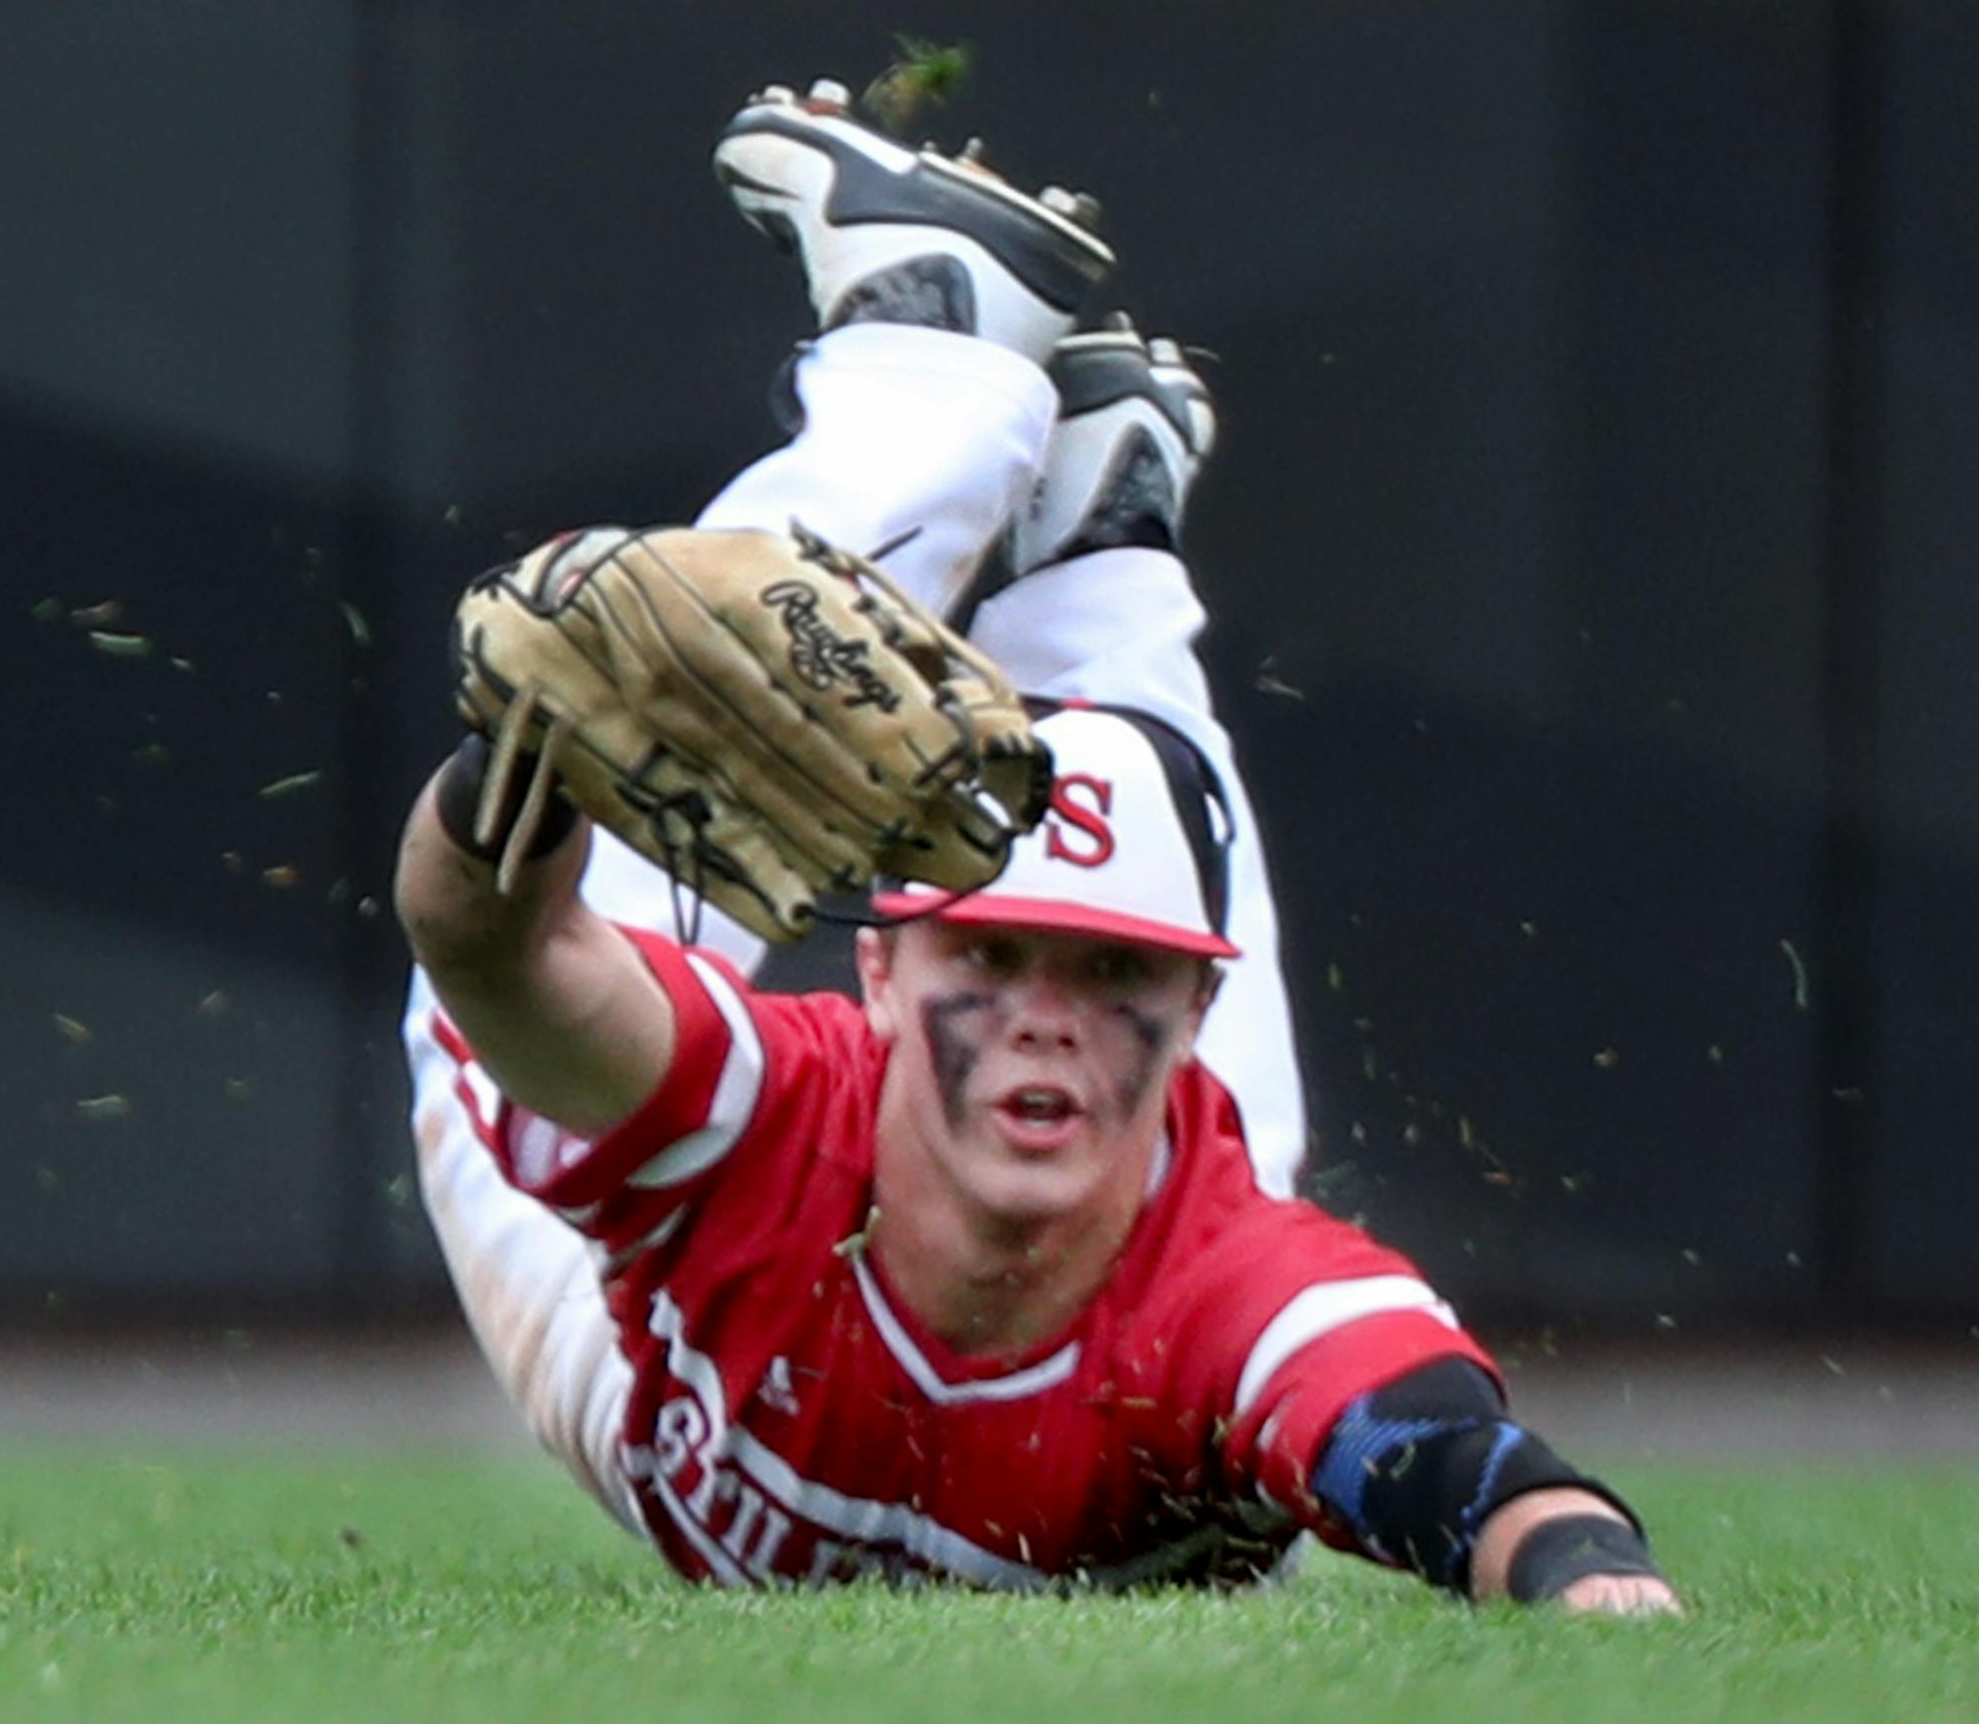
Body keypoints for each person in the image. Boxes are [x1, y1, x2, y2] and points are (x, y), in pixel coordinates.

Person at [396, 78, 1679, 1612]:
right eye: (991, 955)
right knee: (483, 1051)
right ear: (876, 967)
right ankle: (936, 371)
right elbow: (489, 940)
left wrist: (1596, 1588)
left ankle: (1093, 539)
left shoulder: (1235, 1282)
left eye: (1113, 971)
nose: (1044, 1018)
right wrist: (525, 762)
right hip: (643, 1328)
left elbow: (1441, 1457)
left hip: (1142, 1283)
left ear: (1201, 1011)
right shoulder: (759, 1124)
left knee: (1224, 1203)